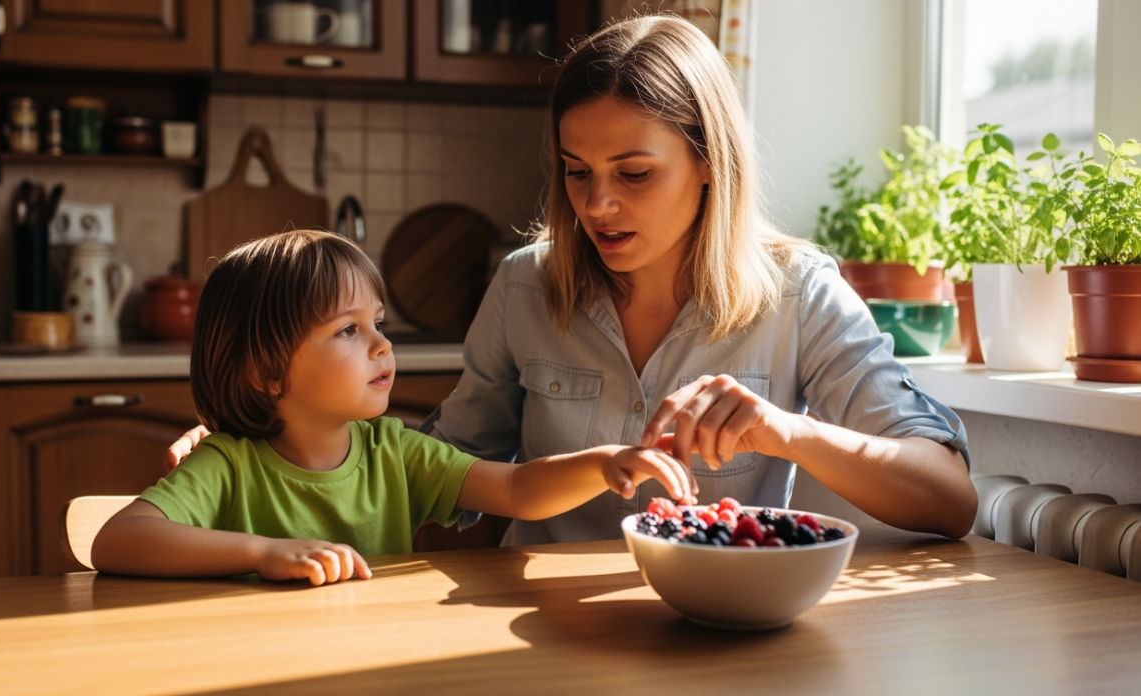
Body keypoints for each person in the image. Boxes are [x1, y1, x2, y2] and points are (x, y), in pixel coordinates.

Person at [168, 14, 977, 544]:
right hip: (538, 628)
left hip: (718, 627)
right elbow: (441, 469)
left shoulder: (800, 292)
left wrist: (784, 432)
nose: (597, 205)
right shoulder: (524, 285)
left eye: (634, 173)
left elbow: (949, 499)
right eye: (576, 171)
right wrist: (271, 448)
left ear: (708, 162)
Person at [93, 230, 693, 586]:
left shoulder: (396, 451)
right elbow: (117, 540)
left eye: (377, 323)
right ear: (267, 372)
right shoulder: (228, 462)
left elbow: (515, 490)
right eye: (347, 330)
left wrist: (602, 464)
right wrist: (264, 553)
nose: (382, 345)